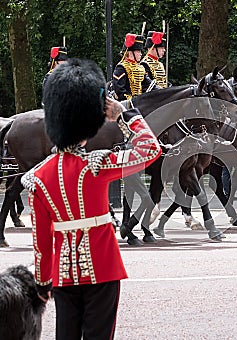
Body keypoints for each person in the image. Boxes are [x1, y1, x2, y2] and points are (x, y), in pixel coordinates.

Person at [21, 58, 161, 340]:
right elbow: (150, 149)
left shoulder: (37, 178)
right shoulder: (98, 165)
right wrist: (125, 114)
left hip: (62, 274)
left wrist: (43, 281)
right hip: (103, 267)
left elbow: (41, 241)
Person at [112, 33, 158, 101]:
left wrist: (162, 91)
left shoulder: (141, 68)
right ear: (130, 53)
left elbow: (148, 84)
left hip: (139, 102)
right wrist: (133, 100)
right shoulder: (121, 68)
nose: (141, 54)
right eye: (138, 51)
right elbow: (120, 91)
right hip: (126, 103)